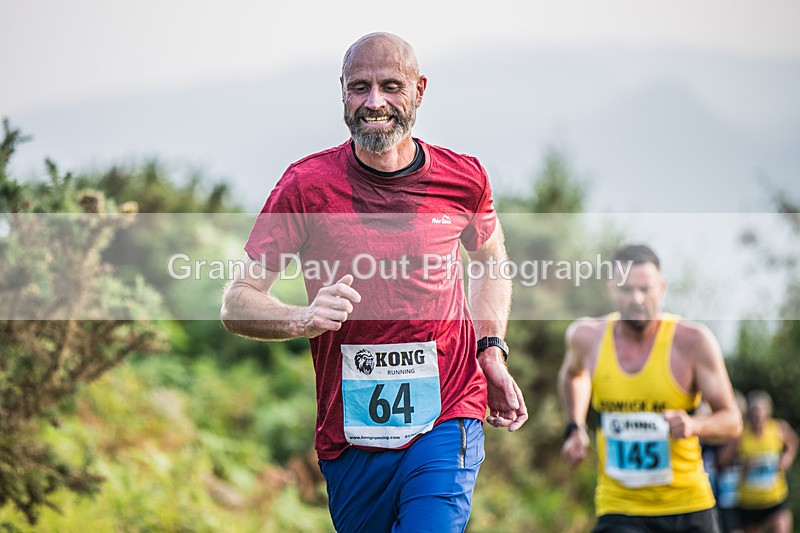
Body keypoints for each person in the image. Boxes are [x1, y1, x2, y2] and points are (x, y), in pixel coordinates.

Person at [220, 32, 528, 532]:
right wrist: (303, 317)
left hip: (448, 416)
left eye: (391, 86)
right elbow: (237, 303)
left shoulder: (463, 178)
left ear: (420, 89)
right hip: (351, 439)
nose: (375, 102)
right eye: (360, 87)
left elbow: (492, 261)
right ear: (342, 91)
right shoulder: (306, 186)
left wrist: (490, 349)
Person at [559, 244, 743, 533]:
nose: (636, 299)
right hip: (620, 506)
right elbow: (574, 375)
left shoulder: (692, 342)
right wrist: (575, 426)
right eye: (626, 289)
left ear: (662, 287)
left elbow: (732, 420)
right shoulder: (586, 337)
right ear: (612, 289)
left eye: (645, 289)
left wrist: (694, 424)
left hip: (687, 503)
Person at [734, 390, 798, 533]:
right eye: (754, 412)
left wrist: (787, 458)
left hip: (776, 498)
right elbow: (724, 462)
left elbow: (793, 441)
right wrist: (742, 464)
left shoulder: (778, 428)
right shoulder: (740, 435)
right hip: (750, 502)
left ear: (768, 412)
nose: (757, 417)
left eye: (760, 412)